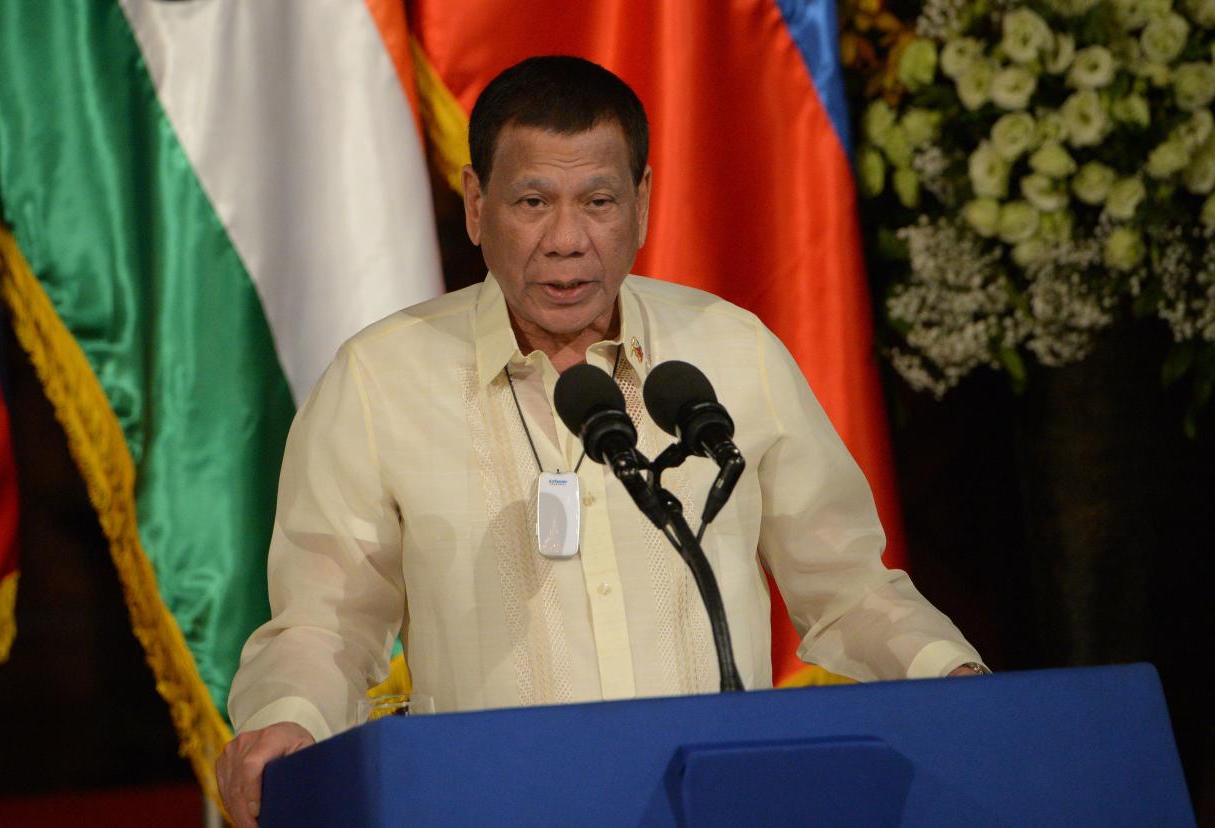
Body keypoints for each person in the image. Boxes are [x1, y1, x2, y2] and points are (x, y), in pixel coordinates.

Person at [215, 55, 985, 826]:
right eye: (531, 201)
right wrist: (289, 717)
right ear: (476, 205)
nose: (567, 239)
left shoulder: (730, 351)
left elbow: (846, 584)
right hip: (490, 806)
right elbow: (327, 622)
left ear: (642, 205)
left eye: (599, 201)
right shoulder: (380, 379)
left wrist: (949, 673)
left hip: (712, 806)